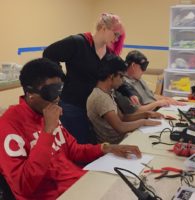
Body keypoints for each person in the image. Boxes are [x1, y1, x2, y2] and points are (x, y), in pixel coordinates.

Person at [0, 58, 141, 200]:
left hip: (78, 185)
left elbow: (74, 150)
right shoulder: (9, 125)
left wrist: (107, 148)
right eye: (51, 92)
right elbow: (23, 186)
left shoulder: (46, 111)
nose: (57, 98)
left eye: (59, 90)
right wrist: (47, 132)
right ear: (30, 94)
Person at [43, 13, 125, 144]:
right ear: (103, 28)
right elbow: (48, 54)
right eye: (115, 34)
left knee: (90, 146)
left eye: (118, 36)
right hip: (74, 105)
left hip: (94, 108)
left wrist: (130, 93)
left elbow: (117, 75)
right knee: (75, 146)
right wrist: (62, 78)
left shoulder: (109, 53)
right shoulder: (78, 42)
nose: (116, 39)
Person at [87, 54, 162, 144]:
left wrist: (146, 114)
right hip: (115, 144)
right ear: (111, 76)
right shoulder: (100, 98)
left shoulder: (107, 93)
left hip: (123, 139)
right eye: (121, 76)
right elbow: (120, 127)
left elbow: (122, 118)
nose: (122, 81)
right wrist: (143, 122)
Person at [115, 50, 185, 115]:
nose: (144, 70)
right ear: (133, 66)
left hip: (155, 112)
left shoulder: (138, 79)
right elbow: (136, 112)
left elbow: (151, 96)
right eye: (143, 67)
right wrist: (157, 103)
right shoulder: (124, 85)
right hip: (145, 117)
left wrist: (169, 100)